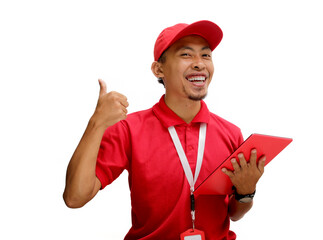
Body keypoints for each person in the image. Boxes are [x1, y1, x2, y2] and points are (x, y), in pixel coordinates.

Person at [63, 20, 266, 240]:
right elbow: (75, 198)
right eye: (186, 55)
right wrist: (96, 124)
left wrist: (246, 193)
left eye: (206, 55)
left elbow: (234, 214)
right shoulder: (128, 129)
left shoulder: (231, 133)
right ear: (158, 69)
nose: (200, 64)